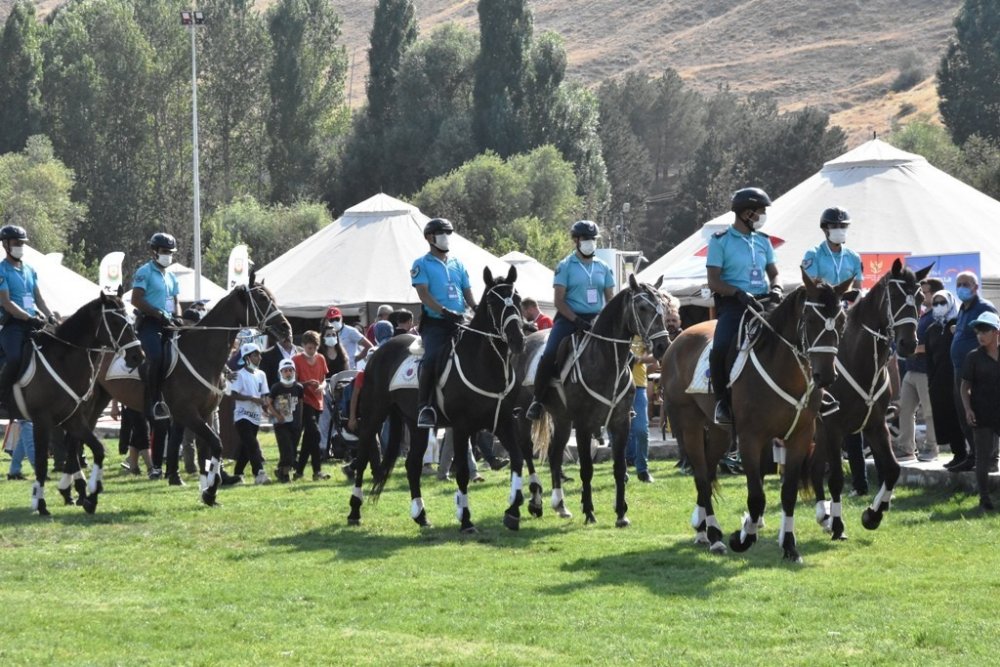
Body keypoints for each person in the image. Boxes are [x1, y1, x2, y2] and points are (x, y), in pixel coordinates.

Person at [526, 220, 615, 421]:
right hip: (568, 318)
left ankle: (620, 399)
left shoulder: (604, 267)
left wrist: (605, 321)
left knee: (620, 353)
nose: (590, 243)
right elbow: (558, 300)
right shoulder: (565, 266)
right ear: (576, 240)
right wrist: (575, 320)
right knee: (549, 354)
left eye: (593, 239)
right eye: (585, 239)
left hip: (596, 320)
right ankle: (538, 401)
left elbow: (610, 300)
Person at [706, 188, 780, 425]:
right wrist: (738, 292)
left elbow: (773, 273)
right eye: (760, 212)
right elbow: (714, 281)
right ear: (746, 213)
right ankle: (722, 402)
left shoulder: (764, 241)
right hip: (735, 305)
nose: (762, 216)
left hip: (765, 303)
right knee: (720, 348)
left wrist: (777, 287)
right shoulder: (720, 241)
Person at [411, 217, 476, 429]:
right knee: (430, 359)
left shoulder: (458, 263)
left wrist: (476, 308)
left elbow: (467, 291)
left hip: (460, 322)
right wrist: (444, 311)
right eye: (442, 233)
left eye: (449, 233)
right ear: (430, 237)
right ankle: (425, 407)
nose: (447, 238)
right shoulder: (421, 264)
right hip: (436, 324)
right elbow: (424, 294)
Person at [0, 224, 54, 416]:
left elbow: (38, 298)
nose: (20, 246)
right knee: (14, 359)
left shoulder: (30, 270)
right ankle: (2, 396)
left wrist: (50, 316)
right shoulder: (1, 270)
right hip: (13, 326)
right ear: (6, 244)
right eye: (16, 243)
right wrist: (28, 318)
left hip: (34, 323)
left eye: (22, 243)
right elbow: (6, 303)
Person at [948, 271, 997, 472]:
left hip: (981, 371)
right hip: (961, 370)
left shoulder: (984, 307)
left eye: (966, 284)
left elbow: (994, 334)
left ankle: (991, 459)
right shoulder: (963, 309)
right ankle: (974, 455)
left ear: (975, 287)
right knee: (964, 414)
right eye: (958, 284)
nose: (961, 287)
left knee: (985, 415)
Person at [132, 232, 181, 421]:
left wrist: (176, 316)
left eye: (170, 252)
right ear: (154, 251)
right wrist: (157, 314)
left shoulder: (171, 276)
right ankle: (154, 401)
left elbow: (175, 300)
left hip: (169, 324)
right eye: (164, 251)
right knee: (157, 357)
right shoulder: (144, 272)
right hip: (150, 323)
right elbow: (136, 299)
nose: (168, 255)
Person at [896, 278, 943, 461]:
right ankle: (906, 448)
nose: (922, 295)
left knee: (930, 411)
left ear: (935, 293)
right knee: (905, 410)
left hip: (926, 372)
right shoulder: (921, 314)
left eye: (926, 291)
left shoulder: (938, 317)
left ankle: (932, 448)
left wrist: (912, 349)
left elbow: (935, 345)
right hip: (911, 370)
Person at [959, 311, 1000, 512]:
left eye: (984, 330)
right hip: (981, 412)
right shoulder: (973, 357)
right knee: (981, 458)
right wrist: (968, 409)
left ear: (996, 332)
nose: (980, 335)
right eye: (977, 331)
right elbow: (964, 386)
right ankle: (984, 499)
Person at [926, 290, 965, 465]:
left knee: (962, 417)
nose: (939, 306)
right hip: (939, 382)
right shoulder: (932, 329)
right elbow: (929, 357)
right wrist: (931, 382)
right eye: (936, 303)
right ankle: (959, 455)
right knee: (947, 419)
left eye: (942, 302)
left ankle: (974, 455)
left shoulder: (959, 323)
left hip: (958, 378)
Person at [228, 342, 272, 485]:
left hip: (255, 416)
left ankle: (238, 474)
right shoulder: (239, 375)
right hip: (242, 415)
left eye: (259, 354)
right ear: (247, 358)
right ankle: (259, 473)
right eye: (255, 355)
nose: (259, 357)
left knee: (246, 447)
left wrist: (266, 407)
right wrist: (251, 399)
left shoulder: (262, 374)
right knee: (253, 444)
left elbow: (264, 394)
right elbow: (233, 394)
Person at [292, 330, 330, 480]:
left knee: (309, 438)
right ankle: (317, 470)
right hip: (304, 400)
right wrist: (306, 384)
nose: (312, 350)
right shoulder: (296, 360)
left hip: (318, 400)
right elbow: (293, 383)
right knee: (315, 433)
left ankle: (300, 471)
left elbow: (324, 379)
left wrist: (321, 386)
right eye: (309, 347)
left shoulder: (321, 359)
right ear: (303, 346)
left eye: (314, 347)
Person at [626, 338, 656, 483]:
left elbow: (656, 357)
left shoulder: (644, 334)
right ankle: (622, 467)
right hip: (619, 387)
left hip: (639, 387)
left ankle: (643, 469)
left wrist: (638, 360)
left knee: (641, 429)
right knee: (619, 431)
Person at [269, 358, 303, 483]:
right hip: (281, 424)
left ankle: (282, 470)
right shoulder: (276, 387)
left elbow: (300, 404)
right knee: (286, 448)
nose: (288, 373)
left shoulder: (298, 387)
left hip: (295, 423)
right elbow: (269, 403)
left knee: (293, 449)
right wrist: (277, 416)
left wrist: (300, 421)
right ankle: (284, 474)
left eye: (290, 370)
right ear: (280, 373)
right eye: (285, 371)